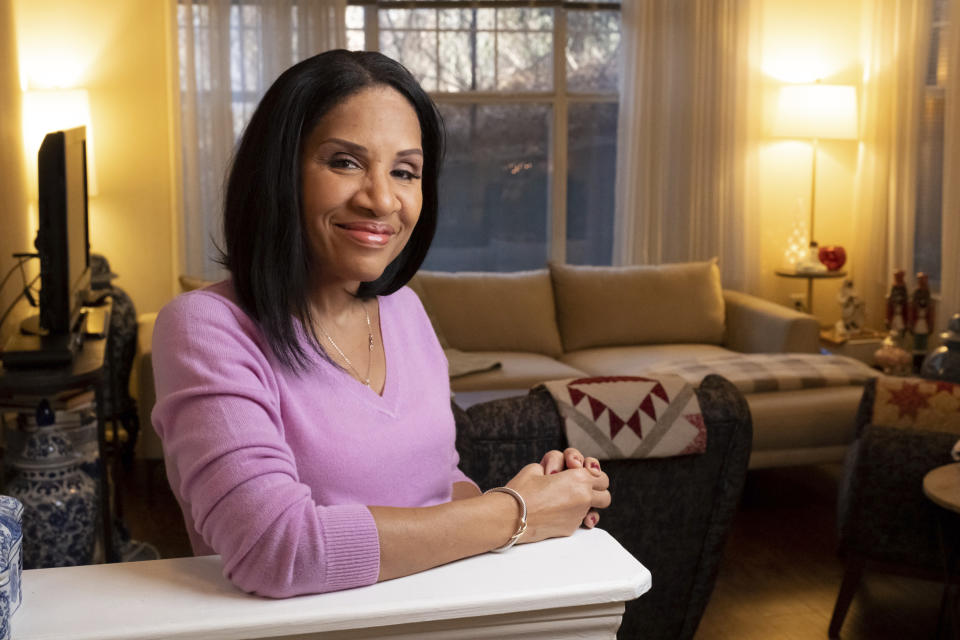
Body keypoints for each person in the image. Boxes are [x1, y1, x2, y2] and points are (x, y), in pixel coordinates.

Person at [151, 50, 610, 598]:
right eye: (345, 162)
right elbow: (276, 549)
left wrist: (538, 495)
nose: (381, 199)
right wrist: (515, 513)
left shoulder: (405, 311)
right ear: (278, 172)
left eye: (404, 172)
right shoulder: (207, 327)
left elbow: (437, 490)